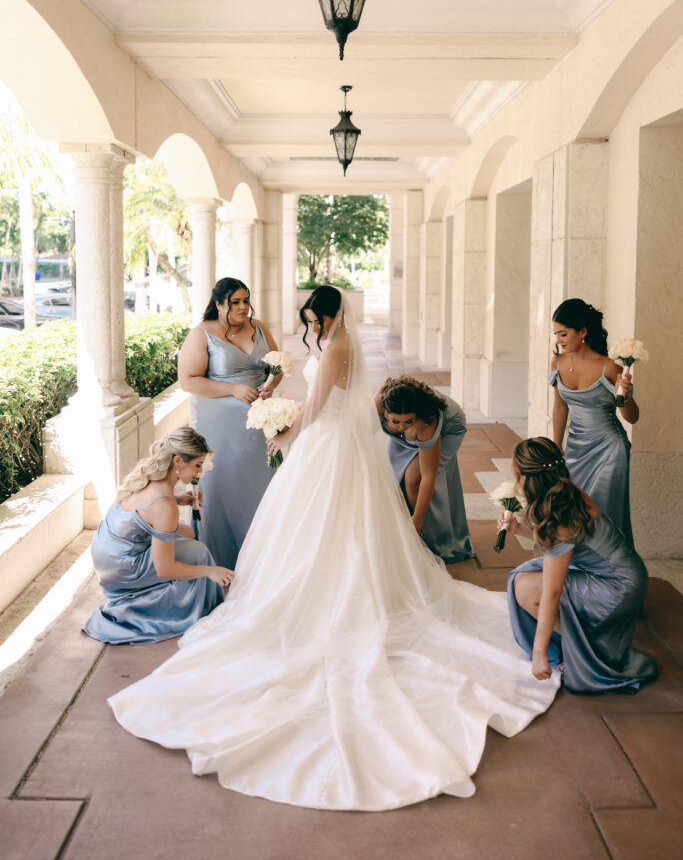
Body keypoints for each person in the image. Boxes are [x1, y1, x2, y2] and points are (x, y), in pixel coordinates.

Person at [109, 286, 558, 812]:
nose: (312, 328)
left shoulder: (339, 344)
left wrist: (285, 434)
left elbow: (319, 403)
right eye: (308, 321)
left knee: (327, 523)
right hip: (332, 440)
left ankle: (330, 599)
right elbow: (322, 397)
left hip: (326, 441)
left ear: (330, 315)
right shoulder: (338, 341)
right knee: (324, 524)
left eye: (314, 319)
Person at [503, 437, 656, 694]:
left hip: (617, 587)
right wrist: (517, 528)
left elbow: (552, 592)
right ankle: (581, 642)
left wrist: (539, 653)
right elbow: (562, 543)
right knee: (525, 574)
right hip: (626, 574)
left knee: (527, 588)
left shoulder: (558, 514)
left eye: (517, 475)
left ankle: (581, 652)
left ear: (527, 478)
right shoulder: (564, 493)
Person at [83, 428, 233, 644]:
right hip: (122, 568)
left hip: (105, 551)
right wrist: (210, 571)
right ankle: (188, 611)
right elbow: (165, 569)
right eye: (197, 465)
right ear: (179, 462)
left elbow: (147, 511)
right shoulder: (164, 505)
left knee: (189, 534)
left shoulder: (148, 476)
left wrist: (178, 500)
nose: (199, 473)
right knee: (198, 553)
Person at [178, 277, 282, 569]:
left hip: (259, 425)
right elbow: (188, 381)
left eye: (245, 301)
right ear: (218, 304)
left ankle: (264, 562)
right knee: (224, 486)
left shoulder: (259, 327)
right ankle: (223, 558)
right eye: (234, 302)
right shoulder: (202, 333)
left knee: (262, 485)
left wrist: (272, 385)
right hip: (219, 427)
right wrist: (233, 389)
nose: (242, 308)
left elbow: (277, 365)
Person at [550, 298, 639, 544]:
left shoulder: (610, 367)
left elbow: (632, 417)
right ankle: (579, 569)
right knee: (572, 512)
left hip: (610, 450)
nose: (559, 339)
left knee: (604, 514)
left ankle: (610, 573)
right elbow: (560, 406)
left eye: (563, 333)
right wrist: (557, 447)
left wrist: (627, 395)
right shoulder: (558, 362)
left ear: (583, 332)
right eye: (556, 333)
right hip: (576, 450)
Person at [375, 376, 473, 562]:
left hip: (449, 429)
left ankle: (426, 537)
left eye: (407, 421)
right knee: (392, 478)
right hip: (413, 428)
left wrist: (417, 521)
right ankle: (398, 531)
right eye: (395, 422)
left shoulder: (426, 422)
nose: (401, 427)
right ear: (385, 412)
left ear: (415, 414)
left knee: (414, 478)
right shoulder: (379, 402)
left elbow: (428, 477)